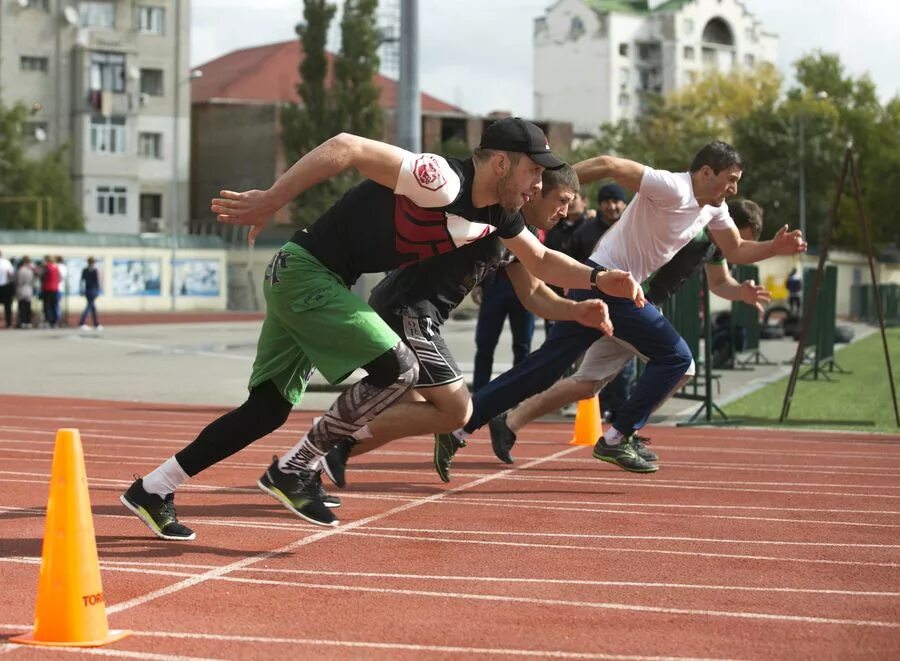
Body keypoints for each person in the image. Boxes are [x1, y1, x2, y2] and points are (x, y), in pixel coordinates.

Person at [120, 118, 643, 540]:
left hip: (319, 281)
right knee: (399, 367)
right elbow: (345, 144)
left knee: (267, 409)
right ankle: (297, 467)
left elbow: (544, 261)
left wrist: (602, 279)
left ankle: (153, 487)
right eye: (534, 171)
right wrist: (273, 198)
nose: (538, 185)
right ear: (502, 163)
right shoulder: (441, 177)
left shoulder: (500, 217)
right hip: (306, 272)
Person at [437, 141, 806, 478]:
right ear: (706, 172)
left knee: (545, 368)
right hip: (609, 280)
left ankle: (459, 427)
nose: (734, 190)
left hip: (606, 286)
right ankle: (616, 437)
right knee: (676, 358)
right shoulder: (671, 186)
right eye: (731, 180)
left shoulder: (715, 209)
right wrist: (546, 185)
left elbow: (737, 250)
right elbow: (609, 164)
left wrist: (775, 246)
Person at [320, 165, 615, 487]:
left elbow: (533, 294)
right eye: (561, 199)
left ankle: (319, 455)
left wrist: (576, 310)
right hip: (407, 310)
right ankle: (328, 444)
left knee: (415, 408)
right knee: (455, 411)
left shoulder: (519, 237)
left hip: (411, 313)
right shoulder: (490, 215)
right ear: (534, 192)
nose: (565, 210)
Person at [485, 198, 770, 467]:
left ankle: (510, 421)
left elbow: (720, 283)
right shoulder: (692, 227)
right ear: (727, 223)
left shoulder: (713, 244)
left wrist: (742, 293)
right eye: (738, 240)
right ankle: (621, 435)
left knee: (587, 382)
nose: (735, 249)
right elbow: (620, 238)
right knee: (681, 365)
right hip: (628, 300)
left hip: (637, 305)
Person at [471, 259, 536, 392]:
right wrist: (476, 283)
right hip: (495, 285)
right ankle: (479, 393)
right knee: (485, 346)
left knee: (522, 346)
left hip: (526, 285)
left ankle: (519, 392)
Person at [78, 257, 103, 331]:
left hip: (89, 290)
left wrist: (82, 290)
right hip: (91, 290)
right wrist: (98, 291)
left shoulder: (86, 270)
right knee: (89, 307)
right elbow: (96, 282)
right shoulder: (92, 270)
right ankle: (81, 323)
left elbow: (82, 281)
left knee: (93, 308)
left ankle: (96, 324)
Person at [39, 255, 60, 328]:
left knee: (47, 306)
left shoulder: (46, 267)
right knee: (54, 305)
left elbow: (43, 278)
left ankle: (48, 321)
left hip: (47, 288)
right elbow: (59, 278)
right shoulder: (56, 268)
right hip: (55, 288)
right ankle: (54, 321)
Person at [15, 257, 35, 329]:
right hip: (29, 290)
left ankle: (23, 322)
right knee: (28, 307)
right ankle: (28, 322)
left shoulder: (21, 270)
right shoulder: (30, 271)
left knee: (22, 307)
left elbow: (19, 282)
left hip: (22, 290)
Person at [0, 250, 14, 329]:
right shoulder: (6, 262)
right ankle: (9, 323)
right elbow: (11, 274)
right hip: (6, 286)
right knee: (7, 306)